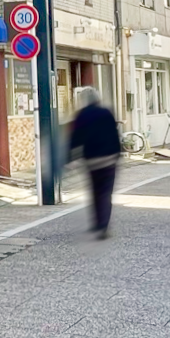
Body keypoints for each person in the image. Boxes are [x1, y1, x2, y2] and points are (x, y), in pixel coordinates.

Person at [68, 87, 122, 238]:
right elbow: (115, 134)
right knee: (106, 193)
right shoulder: (106, 112)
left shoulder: (82, 115)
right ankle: (103, 226)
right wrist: (118, 153)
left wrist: (71, 158)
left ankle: (97, 223)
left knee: (95, 192)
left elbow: (75, 137)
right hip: (109, 159)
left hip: (92, 160)